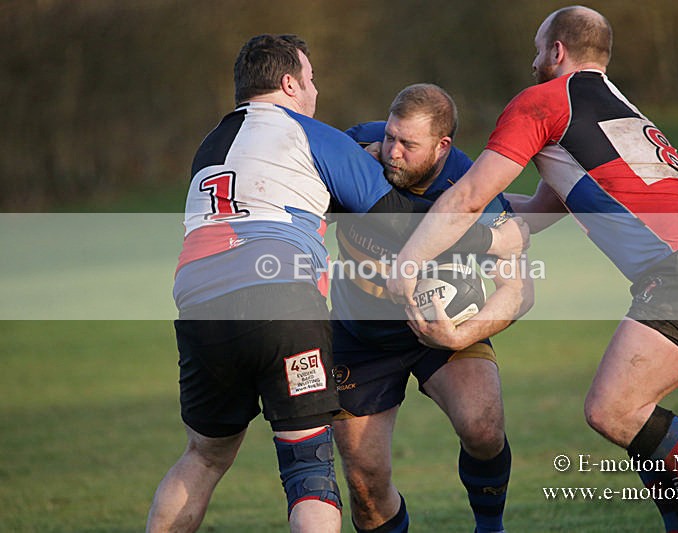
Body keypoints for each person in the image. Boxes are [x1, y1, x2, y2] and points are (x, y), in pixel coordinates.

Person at [387, 7, 678, 533]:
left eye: (538, 50)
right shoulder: (614, 110)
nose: (533, 61)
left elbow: (470, 195)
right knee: (636, 412)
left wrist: (409, 260)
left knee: (612, 410)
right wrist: (434, 211)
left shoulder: (542, 102)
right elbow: (537, 210)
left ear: (556, 51)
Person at [146, 35, 525, 533]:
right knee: (319, 472)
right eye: (310, 79)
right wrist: (490, 239)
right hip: (294, 305)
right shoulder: (314, 136)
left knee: (203, 455)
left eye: (407, 144)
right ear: (288, 83)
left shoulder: (209, 145)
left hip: (198, 301)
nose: (315, 90)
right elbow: (397, 219)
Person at [330, 83, 534, 533]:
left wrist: (459, 336)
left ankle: (490, 528)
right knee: (365, 486)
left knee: (483, 427)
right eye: (390, 137)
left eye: (408, 144)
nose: (393, 152)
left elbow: (520, 290)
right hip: (358, 336)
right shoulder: (358, 145)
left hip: (443, 332)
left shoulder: (471, 185)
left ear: (442, 146)